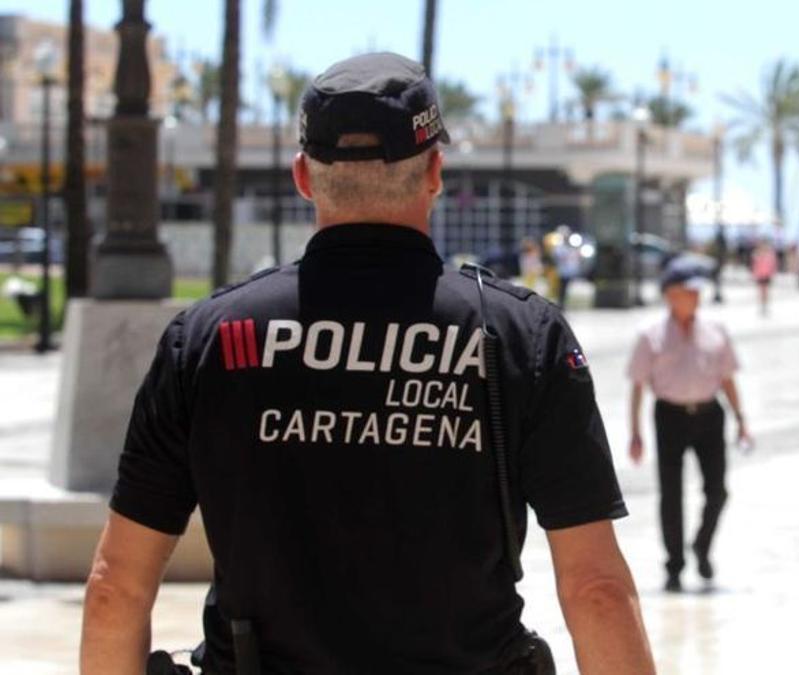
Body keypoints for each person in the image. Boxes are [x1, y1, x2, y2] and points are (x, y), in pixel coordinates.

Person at [80, 53, 655, 675]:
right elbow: (595, 587)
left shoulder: (209, 340)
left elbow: (117, 587)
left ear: (303, 176)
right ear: (435, 170)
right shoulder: (520, 336)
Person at [627, 261, 750, 592]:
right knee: (671, 493)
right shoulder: (650, 334)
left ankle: (702, 546)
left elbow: (728, 378)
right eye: (689, 291)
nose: (696, 296)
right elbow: (638, 385)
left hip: (710, 416)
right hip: (669, 416)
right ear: (671, 295)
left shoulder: (716, 329)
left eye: (697, 291)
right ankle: (674, 565)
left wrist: (741, 420)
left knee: (718, 490)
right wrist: (635, 433)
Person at [750, 240, 778, 316]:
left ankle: (765, 306)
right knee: (761, 291)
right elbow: (754, 266)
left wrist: (772, 273)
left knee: (766, 291)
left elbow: (773, 266)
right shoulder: (757, 255)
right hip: (760, 275)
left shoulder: (770, 256)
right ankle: (762, 306)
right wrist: (755, 274)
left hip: (767, 275)